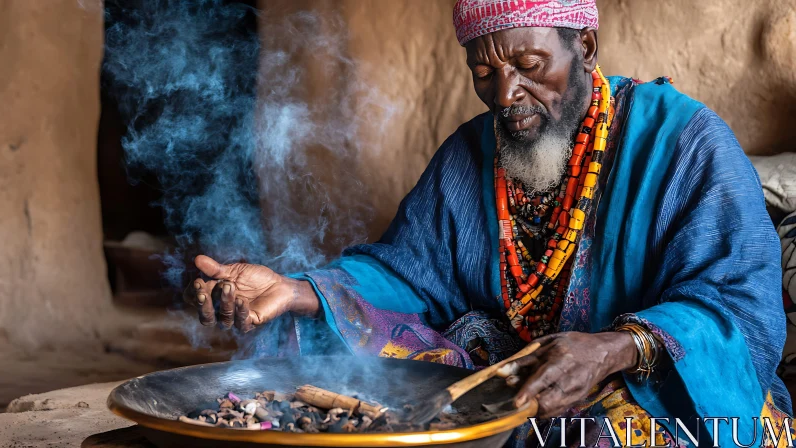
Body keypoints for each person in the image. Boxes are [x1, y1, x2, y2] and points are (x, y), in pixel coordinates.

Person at [183, 0, 793, 446]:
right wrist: (299, 290)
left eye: (530, 63)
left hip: (642, 383)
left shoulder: (685, 141)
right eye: (484, 72)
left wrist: (614, 349)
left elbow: (740, 305)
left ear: (584, 47)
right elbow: (407, 270)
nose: (505, 94)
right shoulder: (472, 152)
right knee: (326, 346)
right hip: (507, 371)